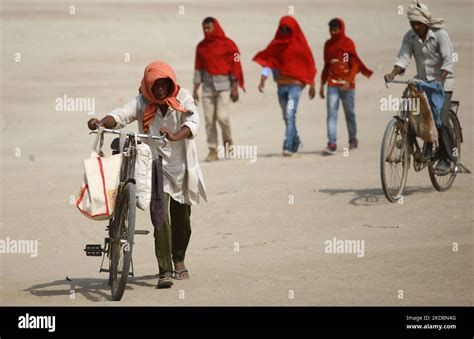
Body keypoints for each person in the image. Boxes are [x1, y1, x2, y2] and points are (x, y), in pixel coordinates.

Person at [87, 61, 207, 288]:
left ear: (171, 83)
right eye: (155, 85)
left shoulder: (184, 98)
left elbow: (194, 122)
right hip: (154, 166)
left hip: (181, 168)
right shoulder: (142, 100)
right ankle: (165, 270)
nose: (160, 90)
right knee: (160, 218)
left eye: (164, 85)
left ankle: (178, 258)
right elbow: (122, 114)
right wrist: (102, 122)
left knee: (183, 221)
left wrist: (174, 135)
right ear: (148, 86)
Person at [385, 1, 455, 175]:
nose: (415, 26)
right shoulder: (410, 37)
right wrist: (393, 73)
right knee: (409, 107)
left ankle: (447, 158)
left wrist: (440, 79)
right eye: (412, 23)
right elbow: (404, 57)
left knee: (441, 120)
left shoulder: (440, 35)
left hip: (443, 84)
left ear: (425, 22)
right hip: (422, 82)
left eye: (418, 23)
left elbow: (448, 60)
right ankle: (409, 137)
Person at [253, 16, 316, 157]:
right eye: (283, 29)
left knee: (290, 114)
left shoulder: (299, 44)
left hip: (295, 86)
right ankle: (296, 141)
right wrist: (263, 78)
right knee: (286, 116)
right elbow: (269, 62)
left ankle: (287, 146)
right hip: (281, 86)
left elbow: (308, 64)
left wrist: (312, 83)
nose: (285, 32)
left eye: (288, 29)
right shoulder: (277, 44)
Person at [194, 17, 245, 162]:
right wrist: (195, 88)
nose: (206, 31)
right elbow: (198, 68)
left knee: (222, 117)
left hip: (224, 86)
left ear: (215, 27)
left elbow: (236, 62)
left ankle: (228, 143)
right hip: (208, 87)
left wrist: (235, 87)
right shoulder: (201, 47)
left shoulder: (229, 45)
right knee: (209, 121)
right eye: (204, 28)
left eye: (209, 28)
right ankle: (212, 150)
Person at [320, 18, 373, 155]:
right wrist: (321, 84)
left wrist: (348, 81)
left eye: (335, 29)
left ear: (341, 29)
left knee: (350, 114)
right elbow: (327, 65)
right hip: (332, 85)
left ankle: (352, 140)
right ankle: (332, 143)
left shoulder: (346, 44)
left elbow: (353, 64)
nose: (333, 32)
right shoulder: (328, 45)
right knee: (331, 114)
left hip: (347, 87)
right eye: (331, 30)